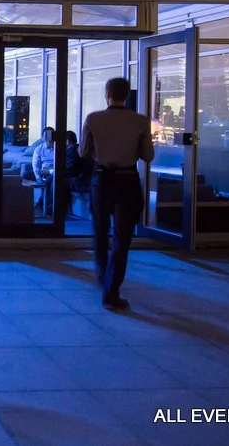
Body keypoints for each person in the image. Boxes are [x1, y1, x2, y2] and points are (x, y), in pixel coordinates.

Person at [81, 77, 155, 310]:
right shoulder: (141, 121)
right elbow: (148, 155)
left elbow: (84, 152)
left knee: (100, 232)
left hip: (102, 179)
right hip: (128, 179)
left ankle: (103, 276)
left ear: (107, 93)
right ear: (127, 95)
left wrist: (101, 155)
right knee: (122, 238)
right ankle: (112, 291)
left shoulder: (93, 119)